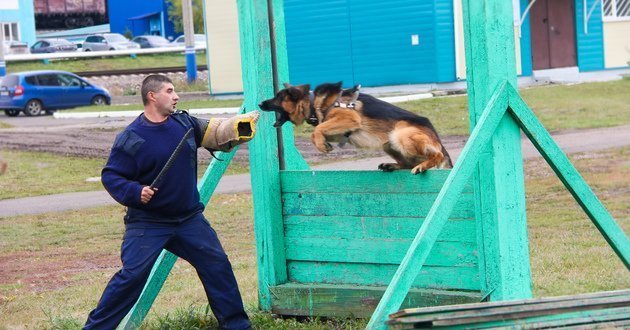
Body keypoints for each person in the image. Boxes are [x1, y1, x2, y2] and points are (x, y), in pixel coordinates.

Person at [84, 74, 258, 329]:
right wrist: (135, 191)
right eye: (169, 90)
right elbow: (111, 175)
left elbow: (216, 132)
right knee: (132, 277)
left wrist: (239, 126)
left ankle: (237, 326)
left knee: (217, 265)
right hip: (148, 223)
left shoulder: (184, 123)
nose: (176, 96)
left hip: (188, 219)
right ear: (152, 96)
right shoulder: (132, 137)